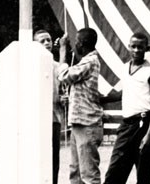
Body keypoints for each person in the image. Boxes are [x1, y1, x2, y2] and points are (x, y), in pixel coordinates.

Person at [105, 33, 150, 184]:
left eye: (140, 47)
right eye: (133, 46)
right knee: (115, 172)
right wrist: (100, 99)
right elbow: (126, 92)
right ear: (128, 47)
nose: (136, 50)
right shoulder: (125, 68)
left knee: (143, 173)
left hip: (144, 123)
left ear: (146, 48)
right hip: (127, 125)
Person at [56, 28, 103, 184]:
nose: (74, 45)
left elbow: (64, 76)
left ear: (82, 44)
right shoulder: (87, 61)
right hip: (80, 123)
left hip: (87, 124)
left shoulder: (90, 61)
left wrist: (63, 51)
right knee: (76, 173)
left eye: (76, 42)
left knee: (89, 175)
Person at [36, 30, 67, 184]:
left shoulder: (55, 66)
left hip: (54, 117)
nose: (47, 43)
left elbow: (62, 75)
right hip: (36, 119)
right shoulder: (30, 66)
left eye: (48, 40)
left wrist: (63, 49)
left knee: (54, 157)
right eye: (42, 41)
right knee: (37, 156)